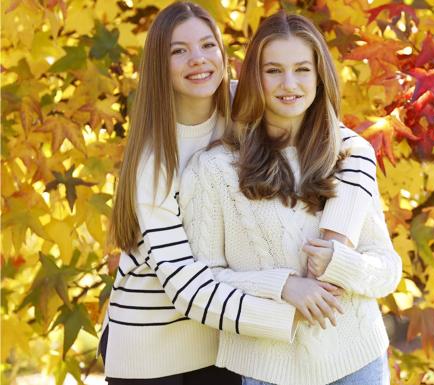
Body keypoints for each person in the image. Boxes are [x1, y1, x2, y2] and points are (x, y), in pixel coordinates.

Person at [101, 2, 379, 384]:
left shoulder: (245, 101)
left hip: (225, 336)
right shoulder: (155, 162)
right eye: (178, 51)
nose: (197, 60)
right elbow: (184, 283)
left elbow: (351, 147)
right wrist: (288, 304)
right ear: (158, 66)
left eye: (207, 45)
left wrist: (338, 233)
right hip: (156, 342)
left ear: (223, 52)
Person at [180, 11, 402, 385]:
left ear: (319, 76)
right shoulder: (214, 170)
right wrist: (283, 286)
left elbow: (387, 269)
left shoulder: (348, 157)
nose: (289, 84)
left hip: (357, 361)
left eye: (302, 69)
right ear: (254, 77)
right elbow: (204, 281)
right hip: (263, 370)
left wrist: (341, 263)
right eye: (273, 70)